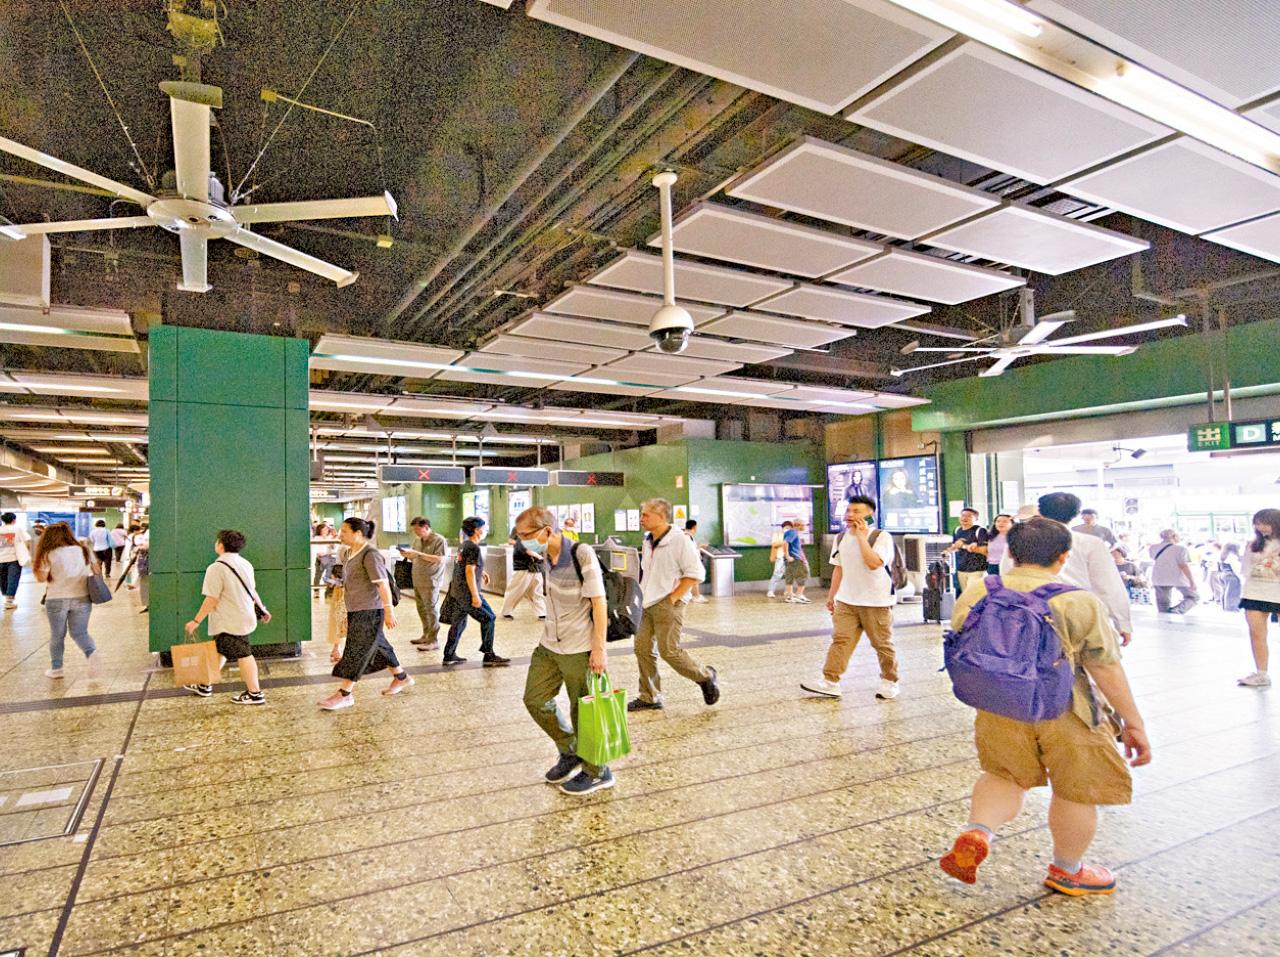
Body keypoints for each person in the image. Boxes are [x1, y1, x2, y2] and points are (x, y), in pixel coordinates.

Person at [939, 517, 1152, 897]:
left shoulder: (979, 590)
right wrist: (1133, 723)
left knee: (1003, 775)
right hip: (1067, 709)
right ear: (1063, 556)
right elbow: (1105, 668)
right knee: (1075, 789)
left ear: (1011, 552)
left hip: (1000, 704)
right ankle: (1068, 871)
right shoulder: (1078, 600)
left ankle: (978, 832)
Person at [516, 506, 615, 795]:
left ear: (547, 531)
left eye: (526, 535)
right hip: (549, 643)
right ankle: (571, 749)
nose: (522, 541)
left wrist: (599, 649)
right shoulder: (546, 556)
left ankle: (598, 771)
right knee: (535, 699)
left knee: (584, 709)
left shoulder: (581, 553)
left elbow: (599, 602)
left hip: (579, 646)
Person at [1000, 493, 1133, 646]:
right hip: (1078, 612)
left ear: (1040, 511)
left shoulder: (1021, 539)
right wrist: (1122, 623)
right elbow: (1108, 585)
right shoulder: (1090, 543)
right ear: (1076, 514)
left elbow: (1007, 574)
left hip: (1031, 614)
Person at [801, 496, 899, 700]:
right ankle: (830, 681)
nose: (850, 515)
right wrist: (832, 596)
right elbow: (839, 568)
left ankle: (890, 681)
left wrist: (862, 537)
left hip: (876, 601)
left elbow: (874, 563)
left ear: (870, 515)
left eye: (856, 511)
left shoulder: (881, 537)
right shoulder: (841, 538)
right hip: (847, 601)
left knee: (882, 644)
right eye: (848, 511)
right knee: (840, 640)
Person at [628, 497, 719, 711]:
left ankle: (705, 676)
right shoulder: (648, 540)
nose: (641, 518)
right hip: (646, 602)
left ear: (661, 516)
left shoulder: (680, 540)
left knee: (669, 651)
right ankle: (649, 696)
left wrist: (672, 598)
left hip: (668, 603)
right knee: (642, 649)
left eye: (645, 515)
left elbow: (696, 573)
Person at [319, 517, 414, 710]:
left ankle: (345, 694)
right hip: (356, 609)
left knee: (357, 650)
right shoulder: (349, 553)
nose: (340, 534)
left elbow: (382, 584)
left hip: (370, 610)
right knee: (379, 644)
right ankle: (401, 677)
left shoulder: (370, 554)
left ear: (358, 533)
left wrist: (388, 610)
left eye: (344, 531)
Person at [182, 529, 269, 705]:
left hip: (230, 620)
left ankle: (255, 693)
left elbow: (212, 599)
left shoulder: (216, 568)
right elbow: (252, 591)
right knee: (221, 649)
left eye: (217, 541)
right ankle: (204, 684)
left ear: (221, 545)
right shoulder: (245, 564)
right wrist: (262, 608)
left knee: (244, 654)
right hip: (241, 616)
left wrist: (196, 621)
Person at [32, 522, 101, 679]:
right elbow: (97, 571)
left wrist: (37, 567)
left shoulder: (48, 553)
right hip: (82, 597)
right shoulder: (84, 550)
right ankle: (92, 653)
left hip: (57, 598)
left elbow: (41, 578)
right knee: (80, 632)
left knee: (57, 635)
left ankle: (57, 669)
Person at [443, 517, 509, 668]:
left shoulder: (464, 545)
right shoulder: (474, 548)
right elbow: (469, 571)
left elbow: (465, 566)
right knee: (489, 618)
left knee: (458, 623)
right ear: (477, 530)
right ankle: (489, 655)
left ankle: (449, 655)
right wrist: (475, 595)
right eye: (484, 527)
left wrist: (481, 572)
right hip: (467, 593)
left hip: (457, 592)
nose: (485, 530)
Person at [1238, 508, 1280, 688]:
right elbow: (1245, 569)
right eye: (1257, 523)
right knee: (1256, 634)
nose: (1260, 527)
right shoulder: (1253, 544)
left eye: (1264, 523)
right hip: (1254, 592)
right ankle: (1261, 674)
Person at [404, 516, 448, 651]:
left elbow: (439, 559)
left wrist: (418, 553)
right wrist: (408, 555)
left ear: (426, 527)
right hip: (417, 578)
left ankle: (433, 640)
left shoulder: (439, 540)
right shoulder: (418, 540)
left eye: (418, 530)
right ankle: (426, 635)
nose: (416, 533)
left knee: (431, 609)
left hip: (431, 580)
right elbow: (415, 556)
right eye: (414, 530)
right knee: (421, 609)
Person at [500, 526, 547, 621]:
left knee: (537, 591)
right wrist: (539, 557)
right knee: (515, 591)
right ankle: (506, 612)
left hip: (536, 568)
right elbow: (527, 550)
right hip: (523, 568)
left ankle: (542, 613)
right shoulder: (521, 540)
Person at [1149, 529, 1198, 615]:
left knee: (1163, 604)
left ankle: (1164, 620)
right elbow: (1183, 565)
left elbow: (1154, 558)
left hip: (1159, 577)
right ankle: (1176, 611)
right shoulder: (1181, 549)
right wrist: (1191, 581)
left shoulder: (1152, 548)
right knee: (1193, 597)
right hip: (1177, 577)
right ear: (1174, 536)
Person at [944, 507, 989, 594]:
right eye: (963, 515)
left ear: (976, 519)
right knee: (965, 595)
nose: (965, 518)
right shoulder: (957, 530)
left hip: (977, 570)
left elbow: (984, 551)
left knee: (974, 595)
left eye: (969, 516)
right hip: (961, 569)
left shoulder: (980, 531)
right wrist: (948, 551)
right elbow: (956, 546)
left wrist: (965, 546)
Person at [0, 512, 31, 610]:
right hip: (14, 559)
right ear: (14, 520)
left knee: (3, 579)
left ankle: (6, 596)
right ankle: (9, 601)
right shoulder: (18, 529)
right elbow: (28, 540)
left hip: (1, 559)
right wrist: (28, 551)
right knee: (13, 579)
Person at [782, 519, 811, 604]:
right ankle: (799, 595)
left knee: (789, 576)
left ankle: (790, 596)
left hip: (790, 559)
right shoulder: (793, 532)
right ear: (798, 525)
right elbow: (785, 543)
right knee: (803, 575)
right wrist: (788, 556)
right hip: (795, 558)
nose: (805, 527)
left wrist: (787, 556)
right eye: (804, 525)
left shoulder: (788, 532)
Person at [684, 519, 710, 604]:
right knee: (695, 578)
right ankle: (696, 596)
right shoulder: (687, 537)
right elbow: (690, 551)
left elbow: (692, 548)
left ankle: (696, 595)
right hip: (690, 562)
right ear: (694, 527)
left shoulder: (689, 537)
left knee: (694, 579)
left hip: (691, 561)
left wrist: (699, 546)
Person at [312, 522, 339, 592]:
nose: (326, 531)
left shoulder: (330, 537)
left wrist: (334, 537)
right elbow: (316, 549)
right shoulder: (317, 538)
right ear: (320, 530)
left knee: (329, 576)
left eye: (327, 529)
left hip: (329, 559)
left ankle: (328, 591)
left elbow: (333, 547)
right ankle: (316, 591)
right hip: (320, 559)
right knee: (318, 576)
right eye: (324, 529)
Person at [766, 523, 789, 599]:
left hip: (789, 557)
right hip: (780, 556)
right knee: (777, 574)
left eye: (789, 528)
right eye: (786, 527)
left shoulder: (791, 535)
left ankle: (788, 591)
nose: (787, 529)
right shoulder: (777, 534)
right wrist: (784, 542)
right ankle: (771, 591)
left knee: (789, 575)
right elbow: (774, 544)